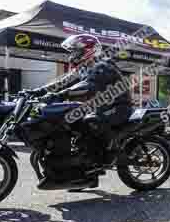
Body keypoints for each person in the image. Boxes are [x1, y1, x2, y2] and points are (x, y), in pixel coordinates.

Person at [27, 34, 133, 189]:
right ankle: (86, 173)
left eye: (75, 51)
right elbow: (62, 83)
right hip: (100, 108)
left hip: (118, 107)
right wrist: (38, 91)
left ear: (88, 51)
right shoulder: (84, 68)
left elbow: (88, 86)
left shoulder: (102, 65)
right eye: (72, 52)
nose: (72, 55)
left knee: (92, 122)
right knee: (72, 125)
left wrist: (60, 95)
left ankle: (110, 153)